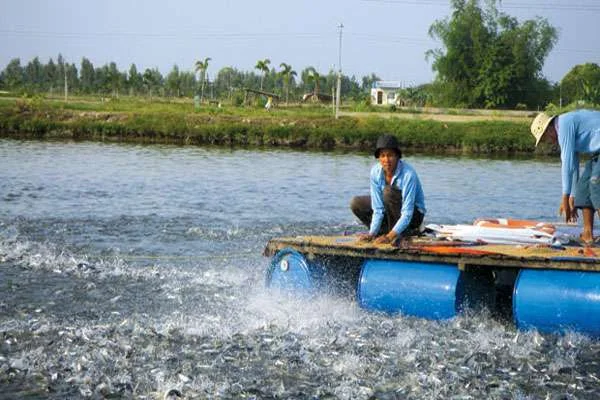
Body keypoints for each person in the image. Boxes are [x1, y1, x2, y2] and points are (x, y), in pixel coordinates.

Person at [531, 109, 600, 244]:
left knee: (595, 185)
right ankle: (587, 234)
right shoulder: (563, 127)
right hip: (597, 153)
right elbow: (574, 165)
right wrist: (572, 195)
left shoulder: (564, 125)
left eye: (545, 138)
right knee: (583, 189)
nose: (549, 141)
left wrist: (565, 198)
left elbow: (566, 162)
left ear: (550, 129)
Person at [350, 134, 426, 244]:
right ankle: (382, 232)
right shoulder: (375, 172)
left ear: (397, 156)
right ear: (379, 158)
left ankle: (399, 233)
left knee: (388, 192)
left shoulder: (409, 174)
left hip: (414, 216)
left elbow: (407, 213)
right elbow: (378, 209)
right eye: (382, 156)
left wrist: (390, 237)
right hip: (390, 211)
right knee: (356, 203)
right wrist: (372, 233)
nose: (386, 160)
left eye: (390, 155)